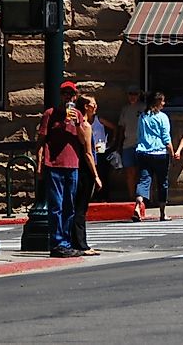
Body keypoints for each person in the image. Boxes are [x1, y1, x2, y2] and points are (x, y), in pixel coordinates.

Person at [37, 80, 89, 257]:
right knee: (56, 206)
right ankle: (57, 243)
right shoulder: (50, 114)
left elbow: (82, 141)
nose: (68, 97)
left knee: (69, 206)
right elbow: (41, 142)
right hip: (54, 164)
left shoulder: (79, 115)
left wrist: (76, 123)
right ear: (61, 95)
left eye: (71, 94)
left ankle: (66, 243)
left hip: (72, 164)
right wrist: (39, 166)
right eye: (65, 93)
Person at [70, 94, 104, 255]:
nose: (95, 107)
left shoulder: (80, 125)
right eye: (93, 104)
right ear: (85, 107)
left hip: (78, 168)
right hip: (86, 170)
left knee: (77, 207)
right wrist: (96, 176)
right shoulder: (85, 126)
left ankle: (77, 242)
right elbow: (88, 153)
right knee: (81, 208)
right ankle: (81, 244)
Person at [134, 90, 174, 222]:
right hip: (160, 153)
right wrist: (172, 152)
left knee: (144, 180)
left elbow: (139, 135)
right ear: (157, 102)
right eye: (162, 101)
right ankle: (162, 212)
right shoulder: (162, 117)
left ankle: (139, 203)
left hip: (143, 152)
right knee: (162, 182)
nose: (163, 103)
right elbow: (166, 137)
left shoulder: (142, 117)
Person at [115, 84, 145, 199]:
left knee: (142, 172)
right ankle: (132, 197)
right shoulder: (125, 109)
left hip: (141, 145)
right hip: (127, 144)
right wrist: (118, 145)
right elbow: (121, 128)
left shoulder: (143, 107)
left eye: (135, 94)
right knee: (129, 172)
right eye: (130, 94)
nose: (132, 97)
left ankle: (142, 197)